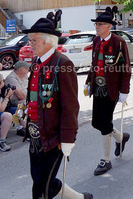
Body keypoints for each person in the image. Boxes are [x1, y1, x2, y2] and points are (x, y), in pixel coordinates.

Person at [24, 15, 90, 199]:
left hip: (53, 136)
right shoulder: (36, 62)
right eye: (30, 40)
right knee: (39, 178)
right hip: (36, 133)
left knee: (41, 189)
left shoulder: (63, 64)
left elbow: (70, 106)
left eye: (34, 40)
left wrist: (68, 138)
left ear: (47, 41)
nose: (30, 44)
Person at [84, 10, 131, 176]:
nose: (97, 27)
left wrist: (124, 91)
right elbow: (94, 63)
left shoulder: (119, 42)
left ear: (109, 26)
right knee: (96, 122)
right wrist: (89, 81)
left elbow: (125, 68)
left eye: (100, 24)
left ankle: (105, 159)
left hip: (112, 89)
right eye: (96, 24)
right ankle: (120, 138)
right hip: (98, 87)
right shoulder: (96, 40)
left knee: (104, 122)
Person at [5, 60, 30, 136]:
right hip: (13, 101)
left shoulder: (24, 76)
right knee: (24, 103)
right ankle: (22, 128)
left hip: (25, 98)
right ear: (20, 70)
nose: (28, 70)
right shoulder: (11, 78)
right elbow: (21, 96)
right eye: (26, 69)